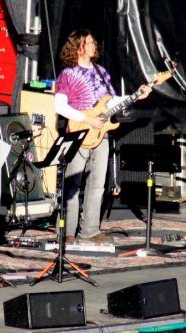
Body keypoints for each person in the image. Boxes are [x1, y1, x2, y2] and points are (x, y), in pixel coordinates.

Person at [54, 29, 152, 243]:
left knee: (98, 184)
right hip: (79, 132)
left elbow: (111, 102)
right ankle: (67, 232)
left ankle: (90, 230)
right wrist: (87, 120)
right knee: (72, 184)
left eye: (93, 42)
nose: (93, 45)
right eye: (88, 43)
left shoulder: (101, 72)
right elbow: (59, 106)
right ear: (78, 46)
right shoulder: (68, 73)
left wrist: (136, 96)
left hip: (101, 134)